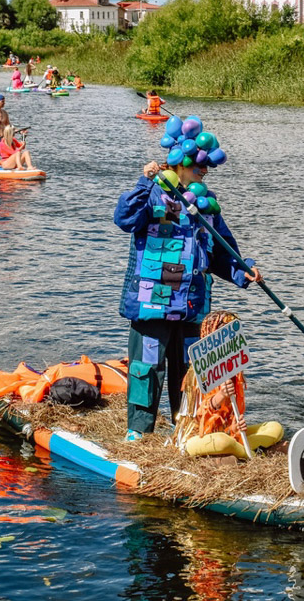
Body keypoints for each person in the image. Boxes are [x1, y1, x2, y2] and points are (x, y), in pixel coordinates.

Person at [114, 117, 262, 441]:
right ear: (181, 161)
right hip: (153, 303)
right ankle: (138, 434)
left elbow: (222, 253)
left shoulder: (206, 207)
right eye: (200, 165)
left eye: (208, 166)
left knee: (190, 375)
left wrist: (243, 271)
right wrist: (144, 181)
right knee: (148, 369)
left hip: (192, 307)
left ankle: (189, 432)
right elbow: (123, 218)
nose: (205, 171)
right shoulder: (152, 194)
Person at [173, 311, 284, 460]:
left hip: (225, 434)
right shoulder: (197, 373)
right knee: (222, 442)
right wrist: (219, 397)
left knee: (275, 427)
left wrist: (235, 428)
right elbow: (198, 421)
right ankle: (251, 454)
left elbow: (228, 423)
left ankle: (243, 449)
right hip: (196, 438)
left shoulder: (233, 371)